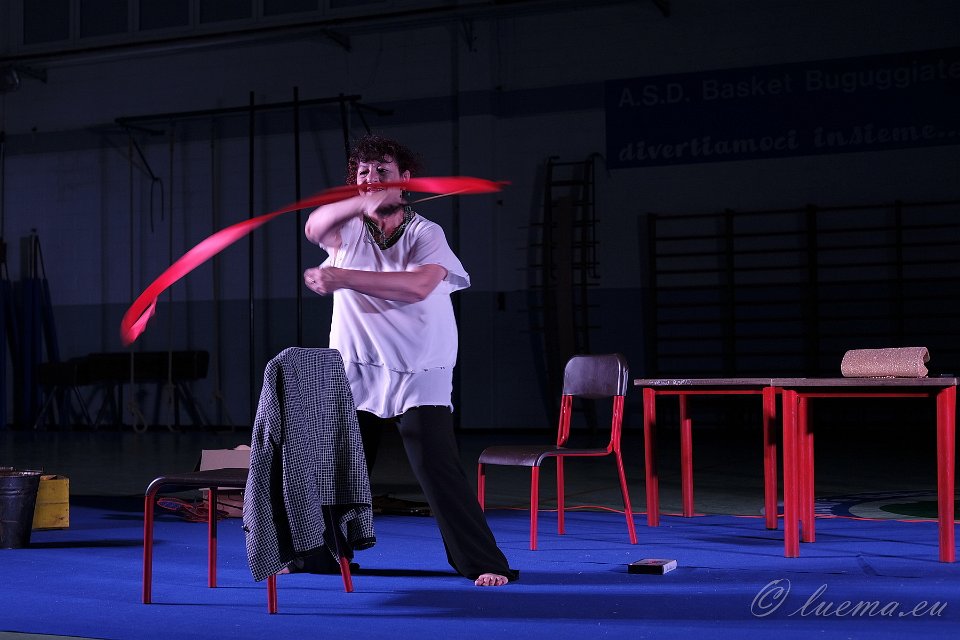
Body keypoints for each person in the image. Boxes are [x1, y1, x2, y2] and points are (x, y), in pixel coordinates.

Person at [303, 133, 517, 587]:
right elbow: (315, 226)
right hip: (357, 364)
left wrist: (342, 277)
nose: (372, 177)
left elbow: (418, 286)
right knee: (339, 468)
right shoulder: (348, 230)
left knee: (438, 469)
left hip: (420, 365)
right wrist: (358, 201)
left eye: (382, 170)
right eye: (363, 172)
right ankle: (321, 557)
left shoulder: (425, 233)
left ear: (405, 178)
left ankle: (483, 562)